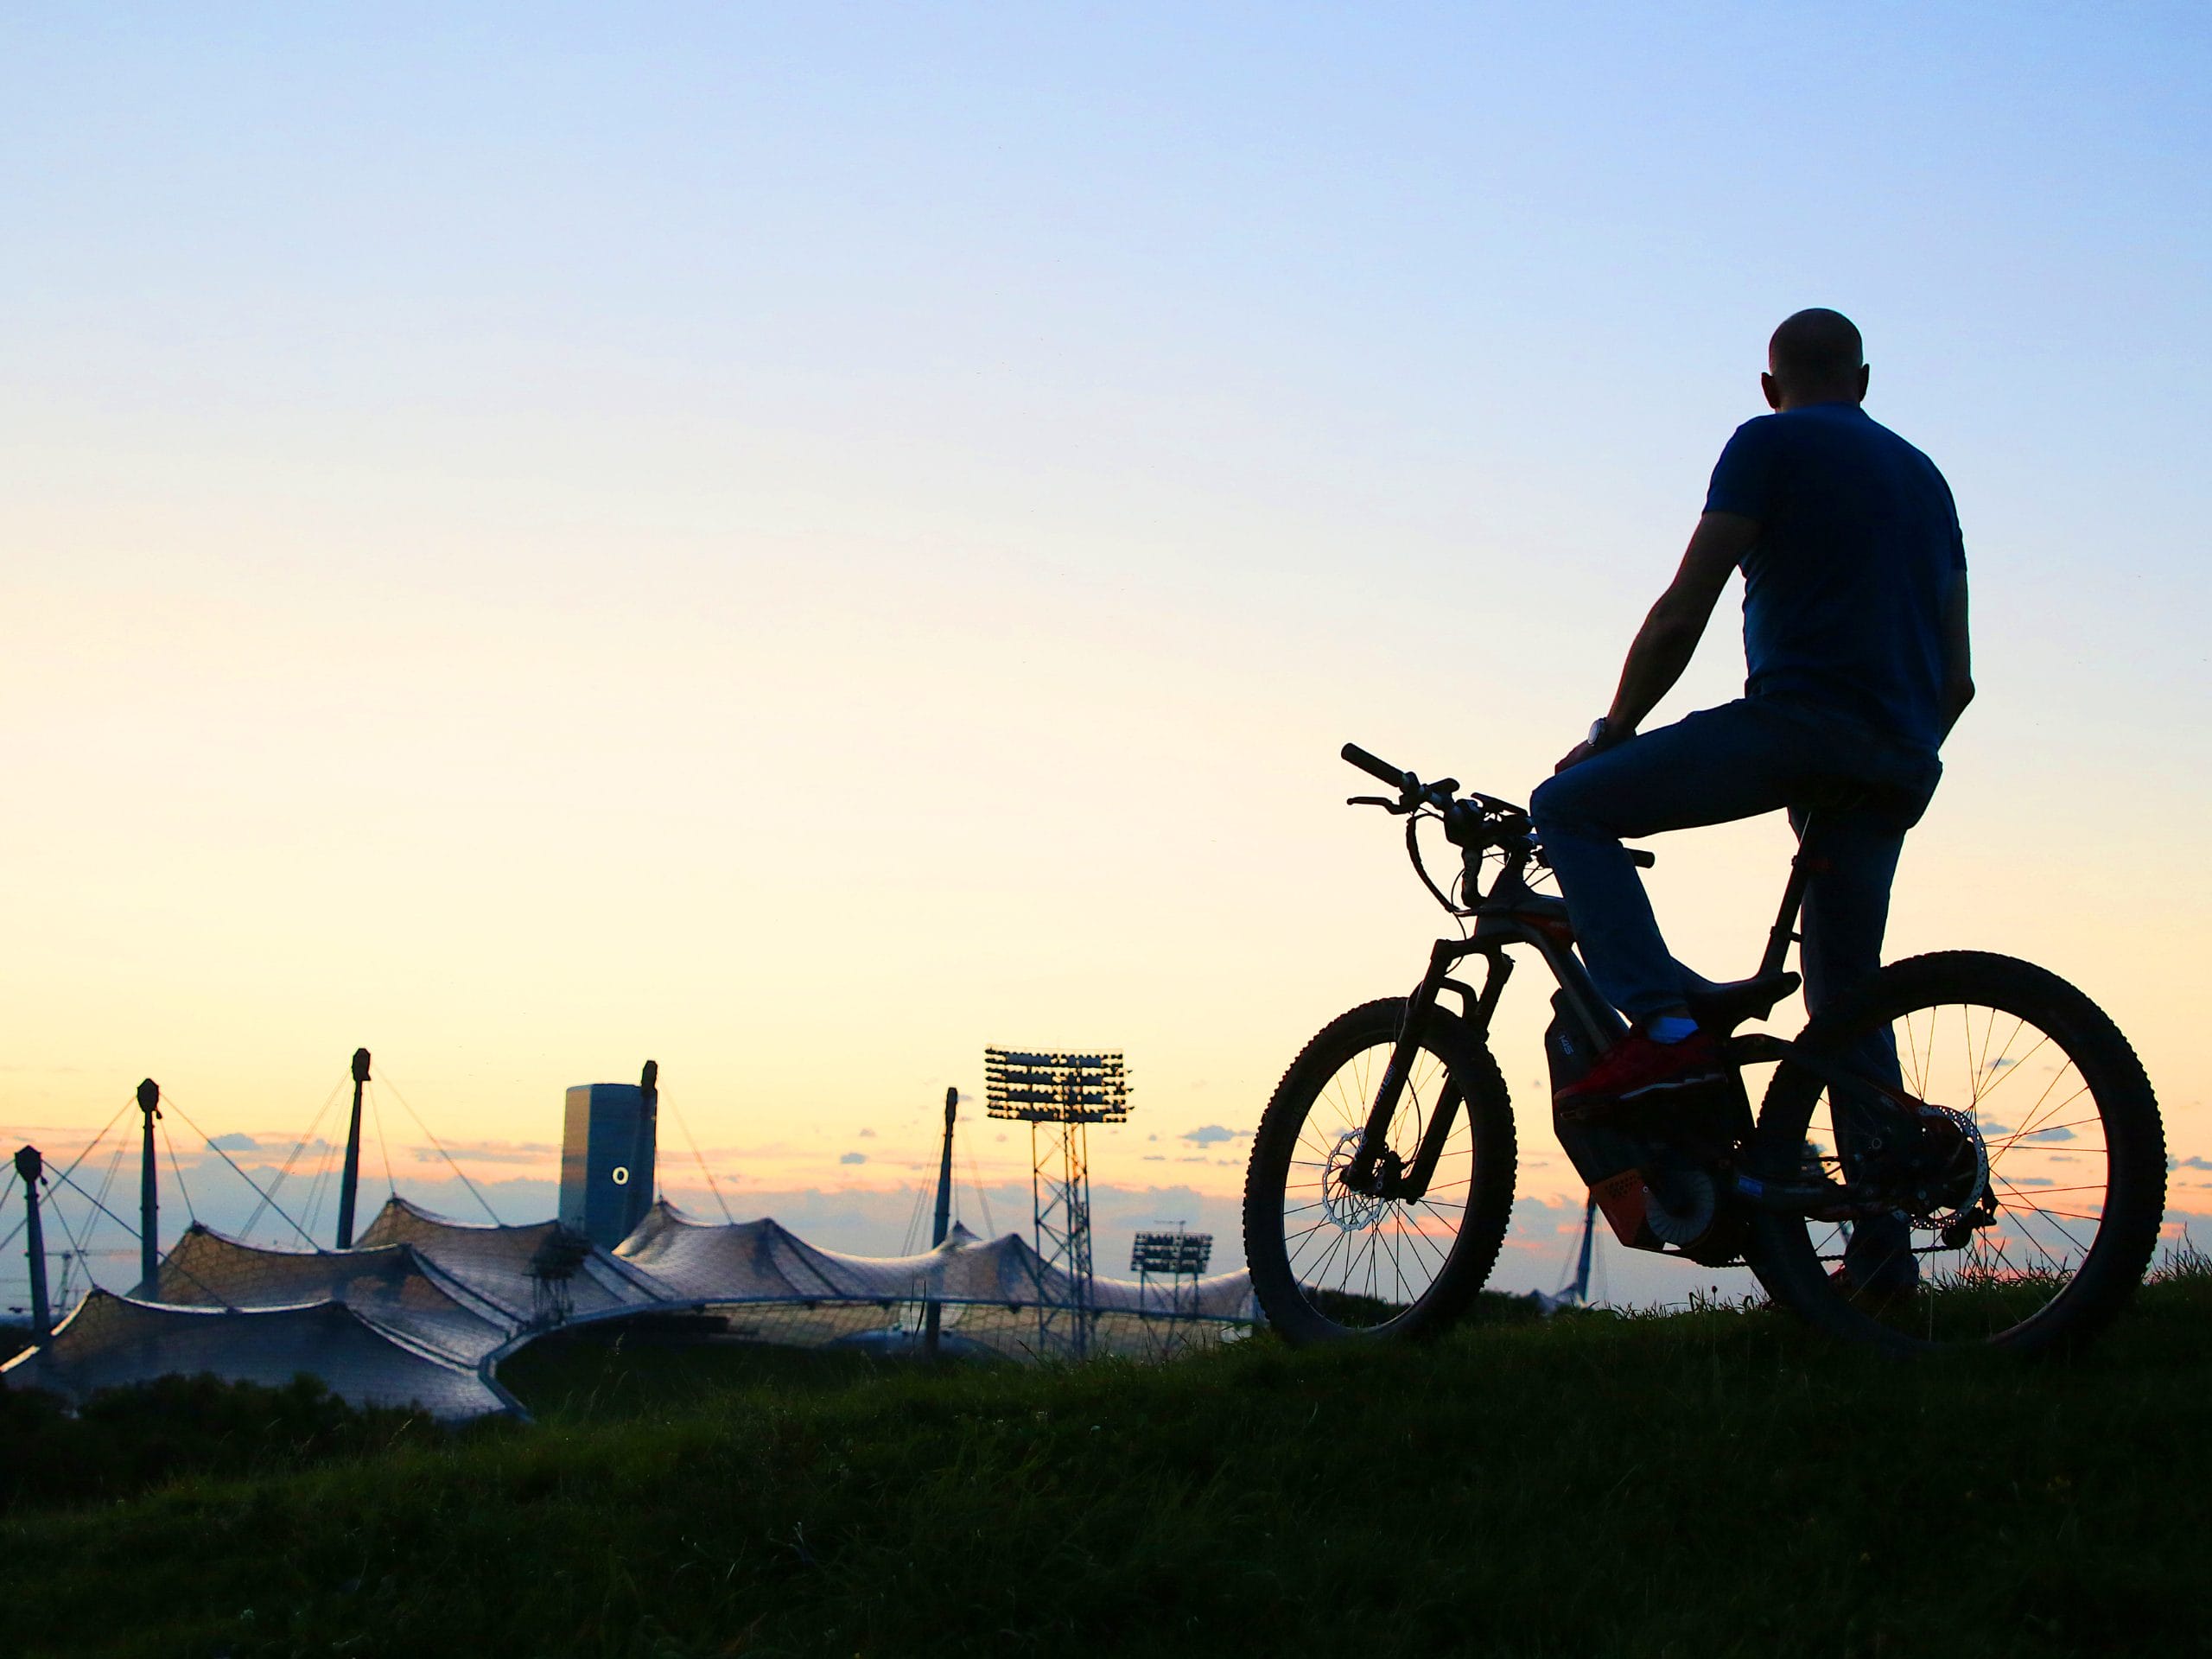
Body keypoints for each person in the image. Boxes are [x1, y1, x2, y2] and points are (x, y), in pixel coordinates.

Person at [1528, 308, 1974, 1295]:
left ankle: (1667, 1033)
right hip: (1900, 753)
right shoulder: (1926, 477)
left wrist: (1610, 732)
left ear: (1770, 386)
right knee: (1844, 993)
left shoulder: (1765, 443)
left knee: (1569, 809)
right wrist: (1889, 759)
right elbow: (1958, 678)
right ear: (1863, 379)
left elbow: (1684, 607)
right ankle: (1881, 1252)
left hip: (1799, 725)